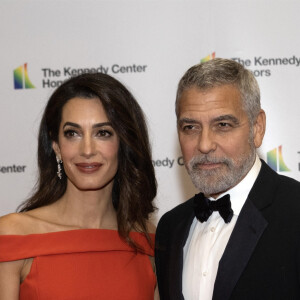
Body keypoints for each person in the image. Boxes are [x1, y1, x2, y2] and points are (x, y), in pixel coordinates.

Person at [0, 73, 159, 299]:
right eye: (72, 133)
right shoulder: (14, 237)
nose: (86, 150)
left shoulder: (148, 239)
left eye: (102, 133)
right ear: (56, 145)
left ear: (123, 143)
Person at [155, 58, 300, 300]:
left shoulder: (295, 212)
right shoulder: (170, 228)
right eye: (190, 127)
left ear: (257, 128)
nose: (204, 145)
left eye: (222, 125)